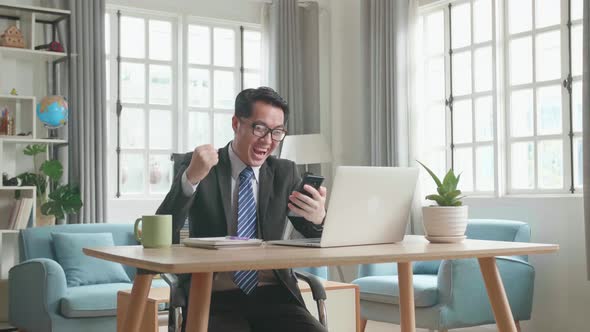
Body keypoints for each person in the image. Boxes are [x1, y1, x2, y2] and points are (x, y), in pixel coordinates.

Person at [156, 87, 328, 332]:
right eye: (259, 129)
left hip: (274, 297)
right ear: (236, 123)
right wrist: (190, 179)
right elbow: (163, 226)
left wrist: (319, 218)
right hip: (213, 297)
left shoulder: (284, 172)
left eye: (276, 132)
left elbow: (314, 235)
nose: (268, 141)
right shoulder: (200, 166)